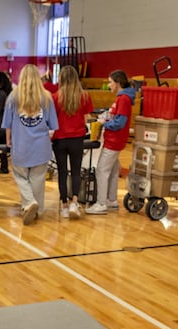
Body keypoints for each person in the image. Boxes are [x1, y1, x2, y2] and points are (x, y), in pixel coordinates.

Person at [1, 64, 59, 225]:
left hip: (21, 144)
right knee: (38, 179)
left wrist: (8, 141)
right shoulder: (47, 97)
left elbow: (8, 124)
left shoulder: (13, 97)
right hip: (41, 145)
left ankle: (28, 203)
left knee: (20, 176)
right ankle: (37, 210)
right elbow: (53, 124)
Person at [86, 69, 136, 215]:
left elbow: (120, 123)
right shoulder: (122, 98)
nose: (109, 86)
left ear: (118, 83)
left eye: (110, 82)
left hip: (114, 141)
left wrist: (104, 123)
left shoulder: (124, 99)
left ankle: (101, 203)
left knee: (102, 170)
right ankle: (112, 200)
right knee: (113, 170)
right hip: (115, 140)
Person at [52, 65, 93, 219]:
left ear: (61, 78)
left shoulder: (56, 97)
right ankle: (75, 203)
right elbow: (86, 118)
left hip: (60, 139)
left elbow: (52, 119)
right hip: (77, 138)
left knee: (62, 172)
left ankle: (63, 205)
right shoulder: (84, 96)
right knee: (76, 171)